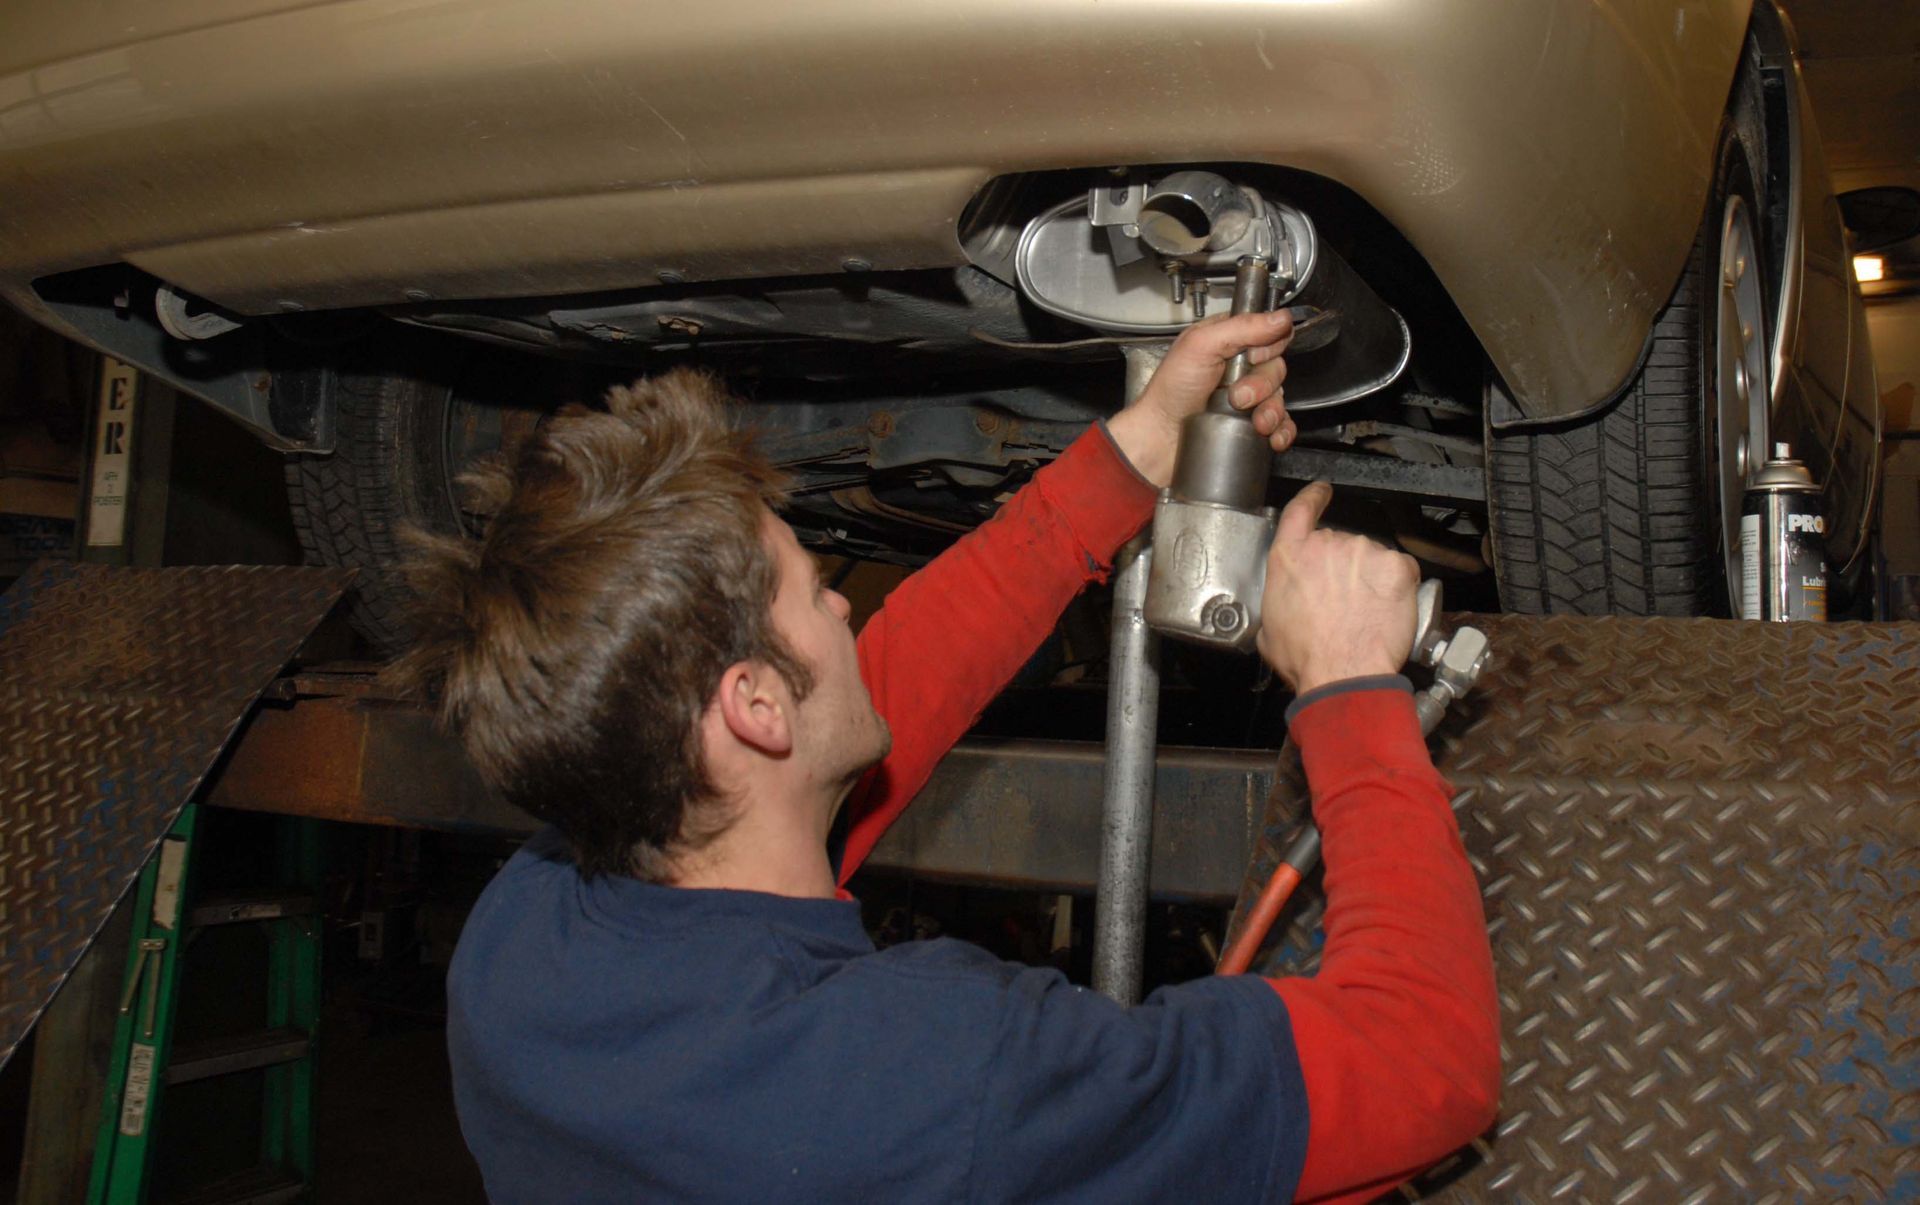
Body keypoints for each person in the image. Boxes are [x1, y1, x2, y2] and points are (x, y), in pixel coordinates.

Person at [400, 312, 1500, 1203]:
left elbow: (889, 684)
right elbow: (1427, 1062)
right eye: (812, 585)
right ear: (754, 706)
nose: (842, 598)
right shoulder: (940, 1076)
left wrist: (1133, 453)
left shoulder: (521, 940)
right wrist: (1350, 689)